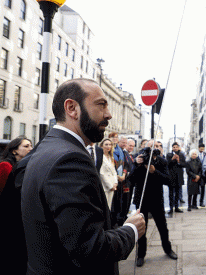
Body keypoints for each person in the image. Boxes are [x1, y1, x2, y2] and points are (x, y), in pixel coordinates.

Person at [21, 78, 146, 275]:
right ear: (72, 108)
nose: (109, 114)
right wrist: (130, 230)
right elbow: (91, 249)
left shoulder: (48, 147)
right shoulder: (69, 160)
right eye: (101, 105)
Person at [131, 140, 177, 267]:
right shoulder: (138, 159)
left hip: (157, 199)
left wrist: (154, 171)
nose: (155, 148)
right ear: (145, 148)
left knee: (162, 227)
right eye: (152, 146)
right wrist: (137, 164)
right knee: (141, 229)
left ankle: (168, 249)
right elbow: (131, 179)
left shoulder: (162, 162)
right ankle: (141, 254)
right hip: (142, 199)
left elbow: (168, 180)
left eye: (157, 146)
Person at [0, 136, 33, 274]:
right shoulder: (5, 166)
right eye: (26, 146)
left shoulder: (23, 166)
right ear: (14, 151)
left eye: (31, 145)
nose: (30, 149)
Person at [166, 142, 186, 214]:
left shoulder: (181, 155)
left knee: (177, 193)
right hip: (171, 177)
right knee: (171, 194)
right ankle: (171, 208)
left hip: (179, 177)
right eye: (174, 147)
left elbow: (184, 164)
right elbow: (167, 165)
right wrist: (172, 159)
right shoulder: (169, 155)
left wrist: (178, 161)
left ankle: (177, 207)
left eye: (176, 147)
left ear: (178, 147)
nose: (175, 148)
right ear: (172, 148)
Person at [99, 138, 118, 208]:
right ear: (101, 146)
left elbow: (114, 171)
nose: (108, 146)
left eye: (110, 144)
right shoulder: (100, 157)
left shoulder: (111, 157)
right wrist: (110, 185)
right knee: (104, 207)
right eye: (106, 144)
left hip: (112, 185)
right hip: (105, 186)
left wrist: (115, 183)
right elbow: (102, 173)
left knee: (109, 207)